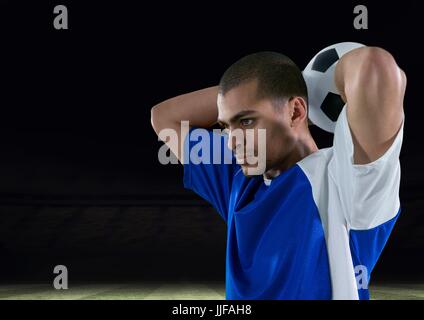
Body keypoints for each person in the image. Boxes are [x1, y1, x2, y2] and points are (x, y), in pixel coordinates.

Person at [150, 48, 406, 300]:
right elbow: (165, 117)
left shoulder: (344, 178)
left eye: (246, 121)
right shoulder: (238, 179)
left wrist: (303, 83)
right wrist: (281, 84)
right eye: (226, 126)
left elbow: (375, 66)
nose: (230, 142)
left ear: (295, 111)